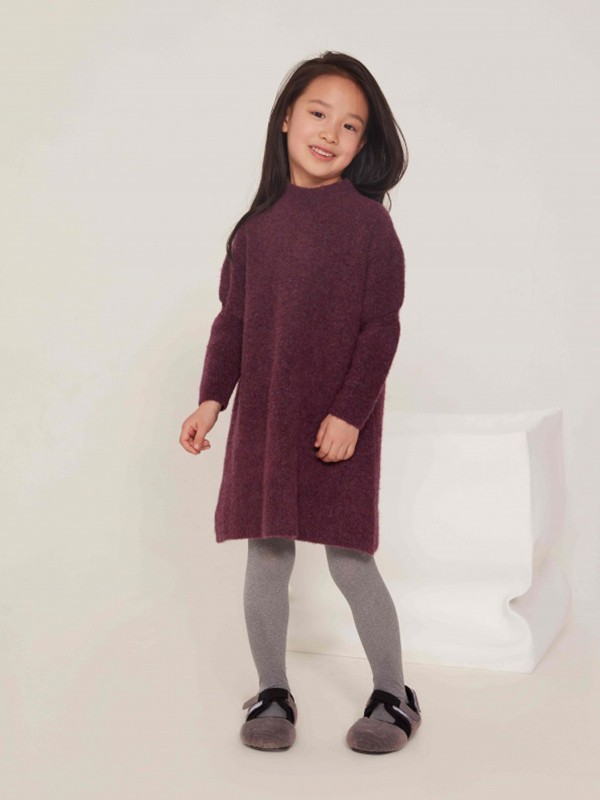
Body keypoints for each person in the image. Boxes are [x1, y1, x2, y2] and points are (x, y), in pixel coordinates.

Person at [179, 50, 422, 755]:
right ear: (287, 117)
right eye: (319, 113)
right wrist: (211, 400)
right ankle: (272, 693)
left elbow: (381, 329)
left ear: (362, 143)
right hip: (267, 417)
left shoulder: (370, 227)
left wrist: (350, 413)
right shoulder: (253, 230)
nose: (330, 132)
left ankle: (394, 693)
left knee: (350, 560)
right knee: (267, 553)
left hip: (337, 424)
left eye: (350, 126)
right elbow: (233, 322)